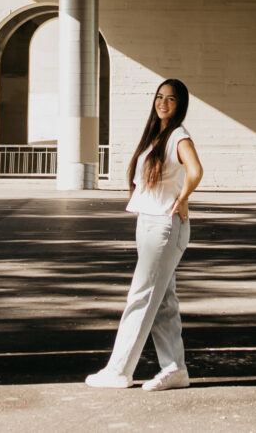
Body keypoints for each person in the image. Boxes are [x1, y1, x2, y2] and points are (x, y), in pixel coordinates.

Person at [85, 78, 204, 391]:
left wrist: (184, 196)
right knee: (162, 300)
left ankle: (119, 370)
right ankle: (175, 369)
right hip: (151, 224)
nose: (163, 103)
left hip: (163, 227)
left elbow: (195, 170)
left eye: (171, 99)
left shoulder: (178, 135)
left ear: (181, 105)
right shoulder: (157, 136)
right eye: (159, 97)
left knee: (141, 296)